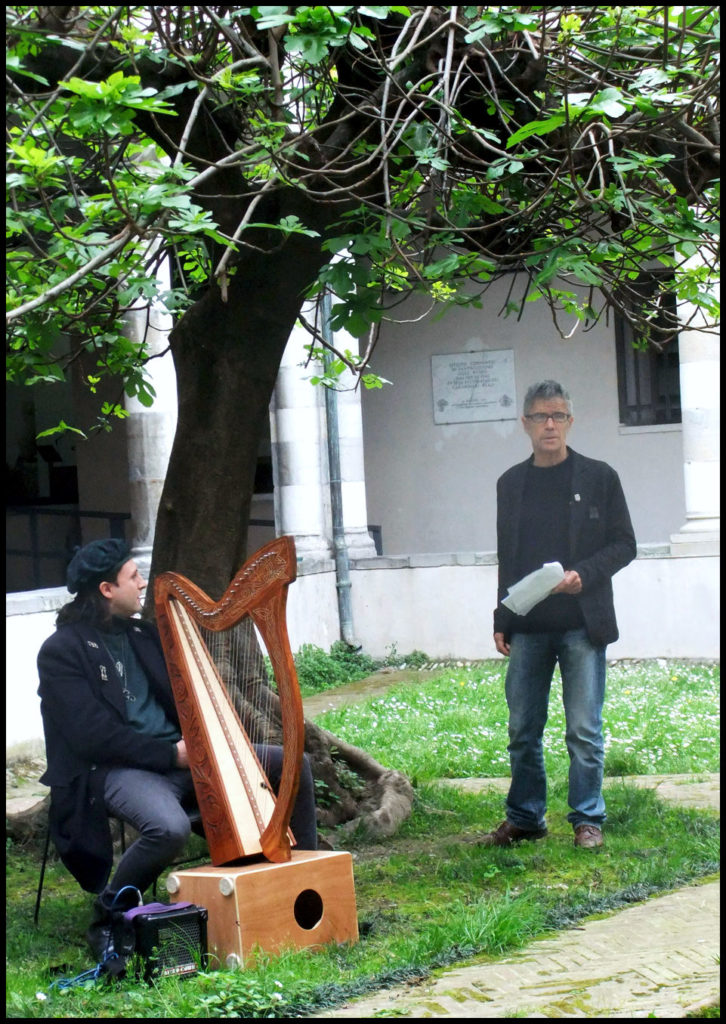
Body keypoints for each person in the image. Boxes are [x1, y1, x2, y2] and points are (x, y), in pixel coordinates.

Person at [37, 538, 318, 969]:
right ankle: (109, 916)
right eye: (133, 577)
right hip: (118, 771)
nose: (143, 583)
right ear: (107, 589)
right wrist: (172, 755)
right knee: (167, 829)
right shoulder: (62, 652)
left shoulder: (143, 635)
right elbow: (94, 737)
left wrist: (205, 738)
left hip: (182, 758)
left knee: (291, 764)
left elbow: (186, 697)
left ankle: (305, 880)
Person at [481, 380, 636, 851]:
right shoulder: (511, 483)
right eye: (540, 416)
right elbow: (507, 557)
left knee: (584, 730)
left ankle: (588, 818)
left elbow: (624, 544)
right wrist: (501, 616)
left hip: (581, 624)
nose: (550, 425)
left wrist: (582, 575)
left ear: (571, 421)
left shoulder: (599, 477)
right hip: (528, 626)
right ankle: (526, 817)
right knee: (522, 728)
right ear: (524, 423)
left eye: (559, 416)